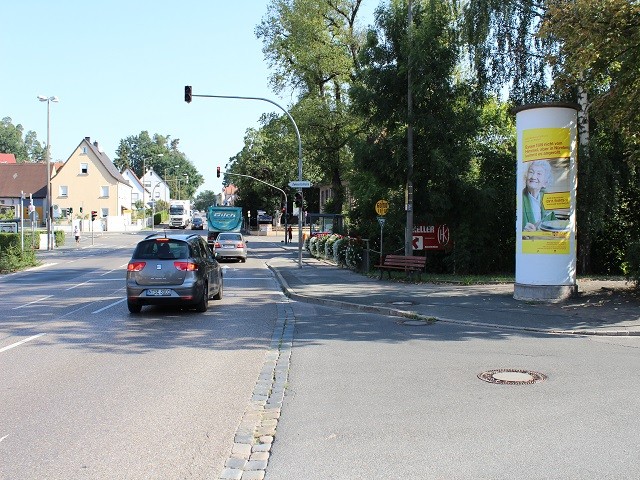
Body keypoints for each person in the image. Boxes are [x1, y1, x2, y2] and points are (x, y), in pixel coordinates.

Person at [522, 160, 556, 231]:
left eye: (539, 174)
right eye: (531, 172)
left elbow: (554, 223)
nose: (533, 177)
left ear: (545, 182)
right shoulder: (519, 198)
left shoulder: (547, 198)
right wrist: (523, 232)